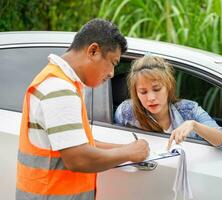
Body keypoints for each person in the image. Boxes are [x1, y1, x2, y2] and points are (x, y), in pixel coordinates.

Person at [16, 19, 149, 200]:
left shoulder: (61, 82)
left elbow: (79, 143)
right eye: (113, 62)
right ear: (93, 51)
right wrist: (129, 153)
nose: (111, 73)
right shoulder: (59, 89)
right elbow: (78, 157)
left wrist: (126, 148)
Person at [115, 55, 222, 149]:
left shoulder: (189, 110)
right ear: (135, 93)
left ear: (169, 86)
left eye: (157, 89)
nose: (151, 98)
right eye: (143, 92)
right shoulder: (126, 112)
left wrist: (194, 125)